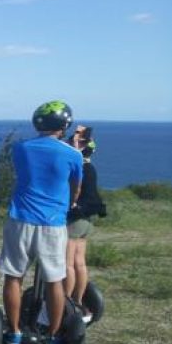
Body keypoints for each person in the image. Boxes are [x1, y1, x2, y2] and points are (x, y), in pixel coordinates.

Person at [0, 100, 83, 344]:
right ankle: (53, 336)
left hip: (20, 219)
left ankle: (13, 333)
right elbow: (75, 188)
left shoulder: (20, 148)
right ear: (65, 124)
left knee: (14, 277)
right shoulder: (73, 154)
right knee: (54, 281)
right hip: (53, 224)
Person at [65, 129, 105, 322]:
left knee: (67, 264)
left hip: (75, 219)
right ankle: (78, 301)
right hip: (86, 220)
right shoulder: (90, 167)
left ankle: (65, 303)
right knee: (79, 262)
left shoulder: (78, 167)